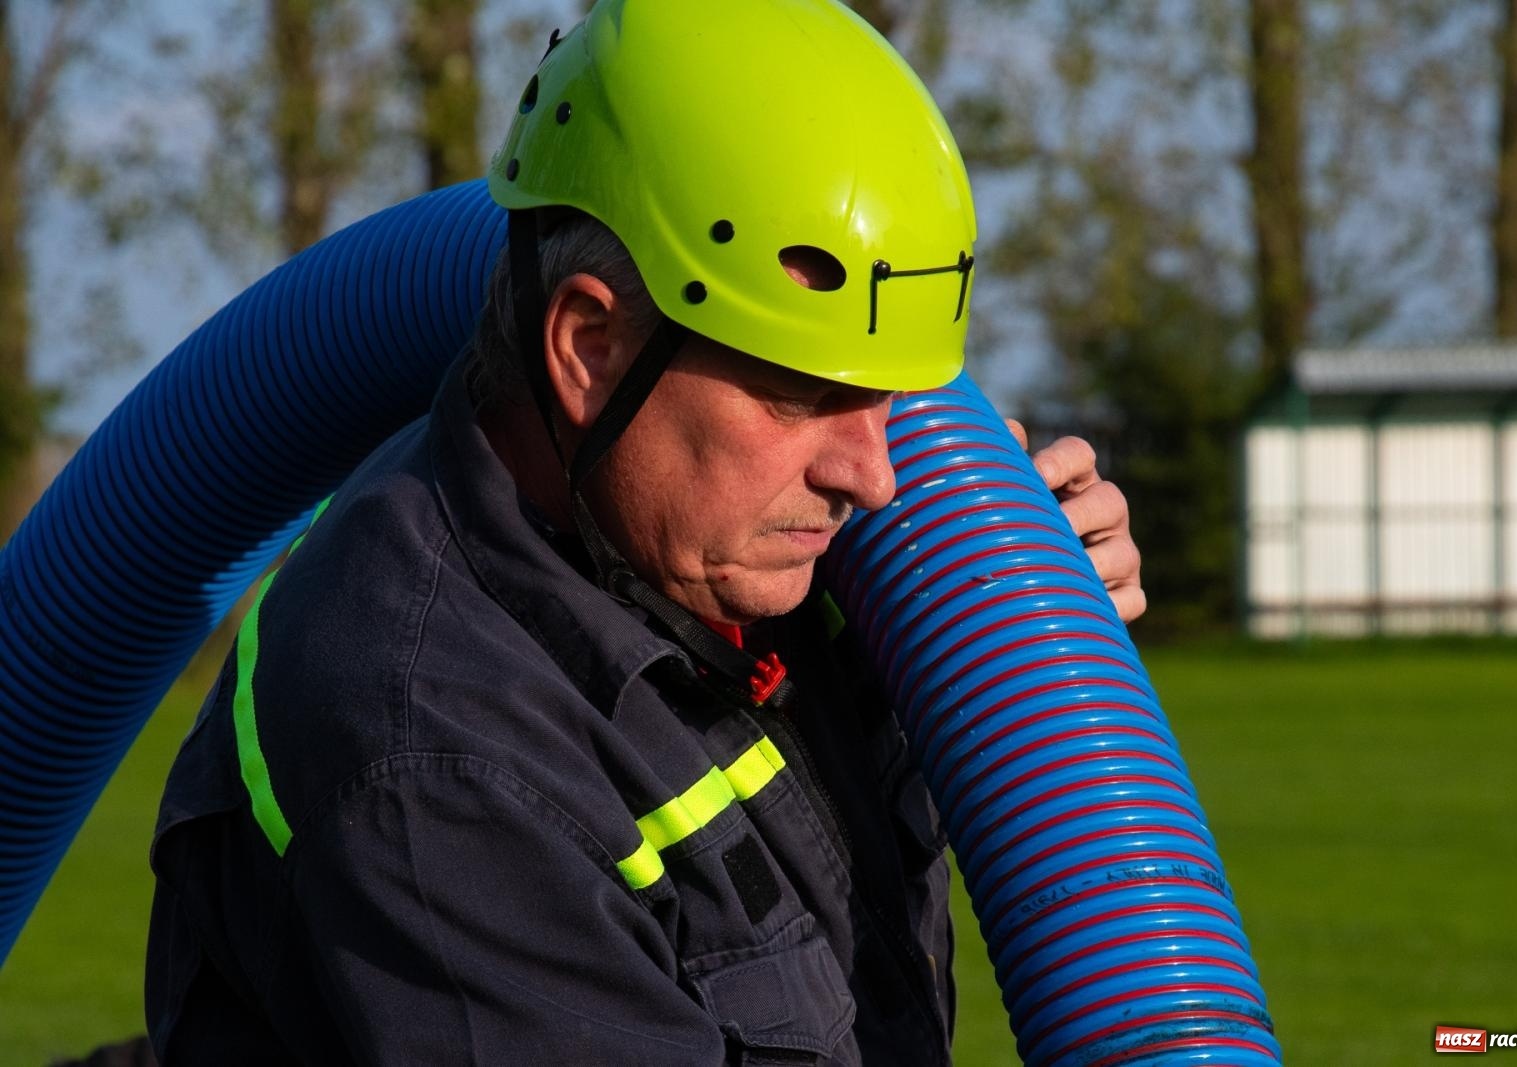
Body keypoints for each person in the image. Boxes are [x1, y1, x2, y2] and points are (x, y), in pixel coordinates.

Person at [144, 1, 1143, 1063]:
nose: (876, 477)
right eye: (800, 393)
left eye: (890, 398)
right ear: (587, 346)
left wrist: (1015, 634)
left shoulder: (688, 547)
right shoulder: (439, 762)